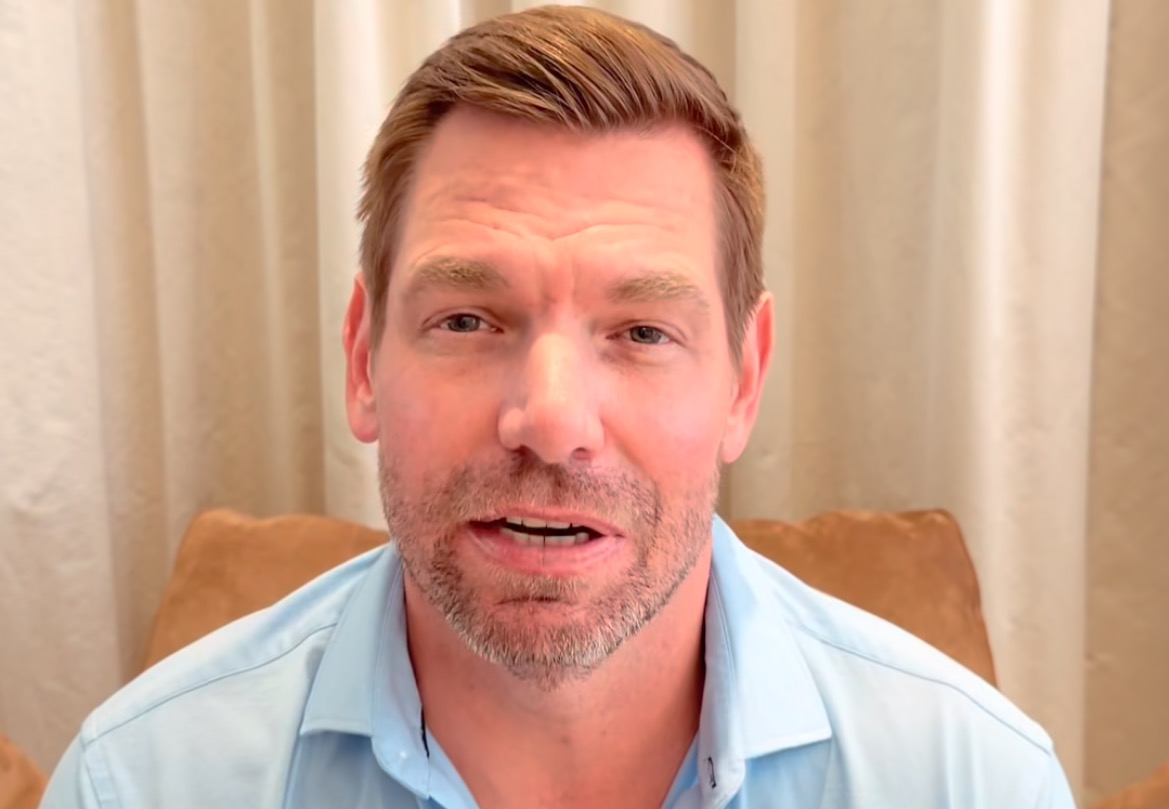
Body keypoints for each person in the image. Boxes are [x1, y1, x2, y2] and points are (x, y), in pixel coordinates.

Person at [40, 5, 1075, 808]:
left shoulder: (974, 782)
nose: (550, 418)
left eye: (641, 332)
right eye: (466, 320)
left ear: (743, 381)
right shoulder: (138, 781)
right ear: (361, 359)